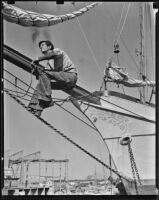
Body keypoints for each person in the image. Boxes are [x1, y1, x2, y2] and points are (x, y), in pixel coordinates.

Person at [28, 40, 78, 116]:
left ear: (49, 47)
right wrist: (36, 70)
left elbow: (54, 55)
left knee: (44, 75)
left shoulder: (56, 51)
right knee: (41, 85)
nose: (41, 47)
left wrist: (38, 59)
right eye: (40, 46)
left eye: (43, 45)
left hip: (70, 76)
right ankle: (36, 107)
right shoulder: (49, 64)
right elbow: (43, 77)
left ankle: (48, 101)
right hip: (63, 83)